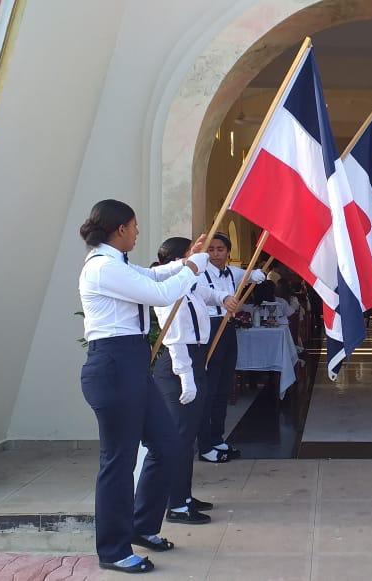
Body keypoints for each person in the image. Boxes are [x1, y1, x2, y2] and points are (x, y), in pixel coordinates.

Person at [78, 199, 209, 573]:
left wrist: (185, 263)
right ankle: (114, 549)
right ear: (119, 230)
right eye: (134, 226)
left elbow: (152, 277)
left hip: (133, 363)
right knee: (118, 461)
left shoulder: (116, 264)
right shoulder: (102, 268)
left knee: (168, 444)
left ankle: (142, 526)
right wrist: (194, 269)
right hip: (114, 365)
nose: (137, 233)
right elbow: (160, 295)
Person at [151, 237, 239, 526]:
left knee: (187, 437)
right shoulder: (169, 290)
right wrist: (186, 376)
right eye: (194, 253)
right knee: (179, 437)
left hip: (194, 360)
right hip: (179, 365)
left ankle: (184, 496)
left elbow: (208, 293)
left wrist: (224, 298)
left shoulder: (188, 284)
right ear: (179, 259)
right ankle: (175, 504)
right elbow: (174, 336)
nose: (201, 257)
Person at [196, 232, 265, 463]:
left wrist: (258, 274)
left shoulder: (231, 272)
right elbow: (203, 297)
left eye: (220, 249)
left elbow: (250, 275)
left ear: (228, 252)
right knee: (210, 388)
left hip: (227, 328)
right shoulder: (199, 273)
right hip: (209, 329)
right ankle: (204, 444)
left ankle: (217, 437)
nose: (215, 254)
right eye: (211, 249)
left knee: (224, 385)